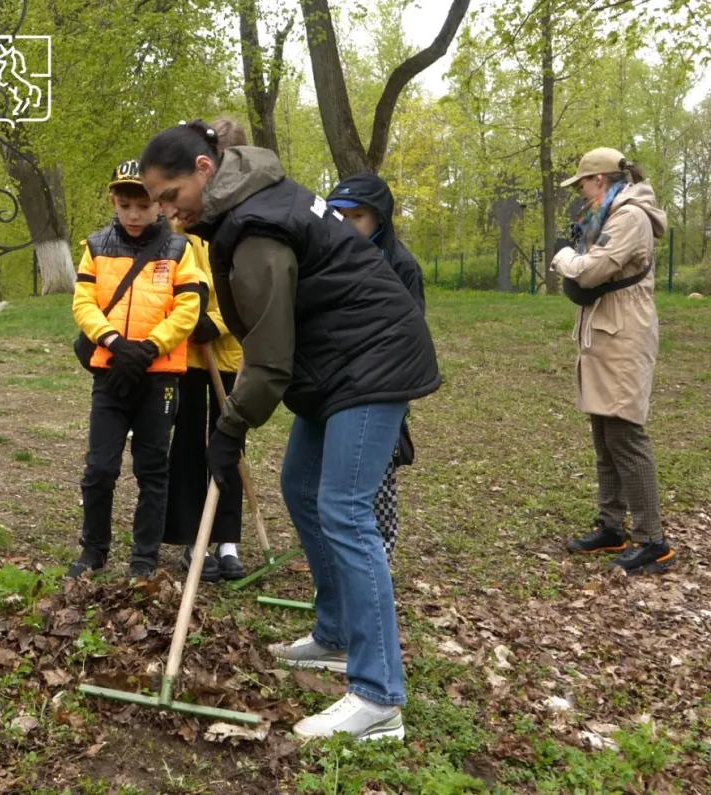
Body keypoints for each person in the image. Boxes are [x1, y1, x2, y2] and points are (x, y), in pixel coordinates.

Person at [140, 121, 441, 741]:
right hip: (335, 362)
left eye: (171, 196)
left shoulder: (255, 227)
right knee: (302, 485)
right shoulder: (249, 199)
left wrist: (229, 427)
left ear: (204, 168)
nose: (167, 214)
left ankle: (379, 697)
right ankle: (333, 635)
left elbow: (270, 361)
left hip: (371, 359)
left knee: (346, 511)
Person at [68, 158, 201, 579]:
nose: (134, 214)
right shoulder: (96, 245)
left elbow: (188, 309)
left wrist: (149, 347)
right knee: (100, 467)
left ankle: (143, 559)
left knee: (152, 467)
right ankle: (93, 551)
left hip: (158, 375)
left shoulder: (181, 249)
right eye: (125, 205)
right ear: (114, 201)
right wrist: (112, 341)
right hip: (111, 373)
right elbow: (82, 303)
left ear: (159, 205)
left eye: (143, 206)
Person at [552, 147, 676, 576]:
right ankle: (612, 526)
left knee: (625, 434)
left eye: (583, 184)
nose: (581, 192)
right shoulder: (607, 214)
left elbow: (589, 271)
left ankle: (652, 539)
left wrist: (563, 257)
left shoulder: (629, 217)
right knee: (605, 434)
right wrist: (576, 254)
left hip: (624, 336)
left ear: (600, 180)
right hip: (605, 333)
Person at [163, 118, 249, 582]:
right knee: (189, 449)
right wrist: (190, 318)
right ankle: (192, 541)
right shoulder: (187, 227)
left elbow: (244, 288)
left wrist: (214, 323)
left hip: (229, 354)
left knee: (228, 446)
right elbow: (181, 276)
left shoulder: (243, 225)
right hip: (186, 358)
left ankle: (228, 540)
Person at [327, 173, 424, 564]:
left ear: (379, 220)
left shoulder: (400, 266)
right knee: (331, 478)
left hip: (380, 386)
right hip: (334, 382)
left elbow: (409, 333)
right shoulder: (326, 256)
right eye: (337, 215)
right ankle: (338, 557)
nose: (345, 224)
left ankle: (378, 553)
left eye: (356, 216)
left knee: (376, 475)